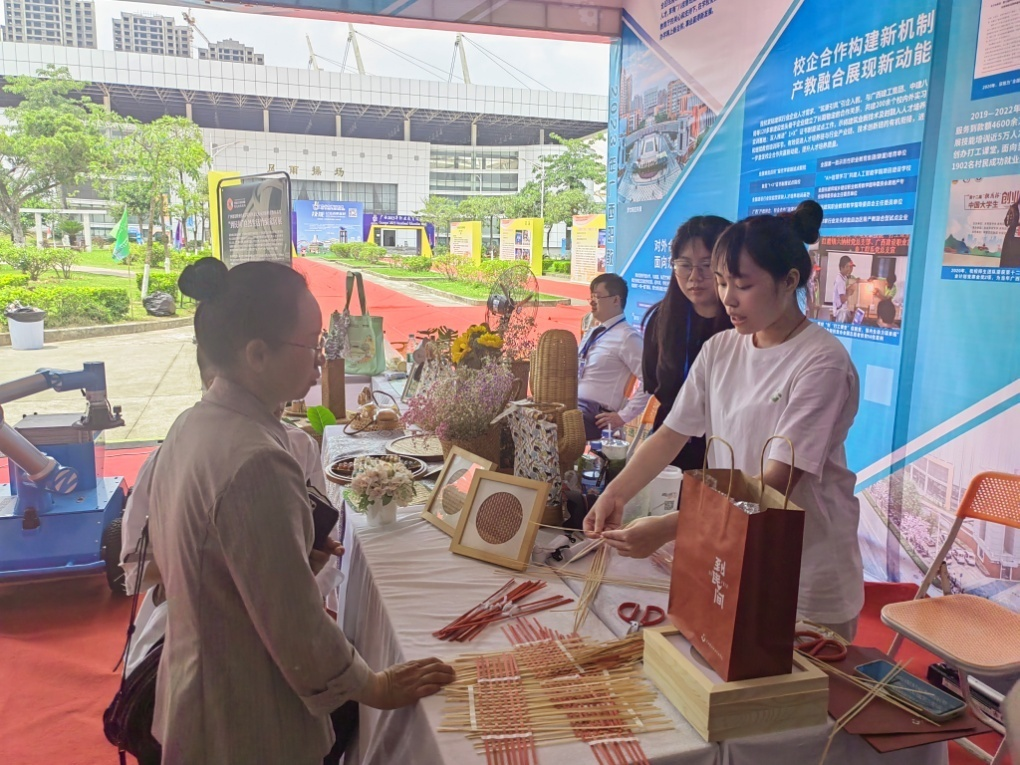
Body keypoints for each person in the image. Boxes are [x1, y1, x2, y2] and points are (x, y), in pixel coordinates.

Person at [148, 258, 454, 764]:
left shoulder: (193, 424)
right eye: (312, 344)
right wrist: (375, 686)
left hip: (199, 682)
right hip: (242, 718)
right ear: (258, 354)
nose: (321, 361)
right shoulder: (257, 461)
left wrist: (292, 556)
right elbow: (295, 627)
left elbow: (217, 566)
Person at [584, 201, 864, 640]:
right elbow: (672, 434)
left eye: (743, 284)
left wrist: (670, 527)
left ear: (790, 281)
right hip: (729, 548)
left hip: (803, 568)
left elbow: (773, 484)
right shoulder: (723, 349)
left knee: (800, 700)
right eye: (721, 282)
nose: (726, 298)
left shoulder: (820, 362)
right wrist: (615, 493)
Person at [641, 215, 732, 469]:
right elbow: (654, 384)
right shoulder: (662, 319)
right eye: (685, 265)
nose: (695, 276)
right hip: (670, 449)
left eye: (706, 265)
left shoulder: (744, 327)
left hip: (724, 453)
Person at [577, 273, 649, 439]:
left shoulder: (627, 337)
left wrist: (623, 417)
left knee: (551, 426)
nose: (592, 302)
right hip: (574, 406)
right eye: (591, 297)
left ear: (616, 300)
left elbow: (651, 380)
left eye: (598, 297)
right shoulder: (594, 332)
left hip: (595, 415)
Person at [830, 254, 856, 322]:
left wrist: (848, 289)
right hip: (840, 312)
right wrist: (849, 293)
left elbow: (842, 292)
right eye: (847, 267)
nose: (849, 269)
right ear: (842, 267)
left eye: (849, 267)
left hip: (841, 311)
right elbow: (842, 299)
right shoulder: (840, 280)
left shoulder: (843, 277)